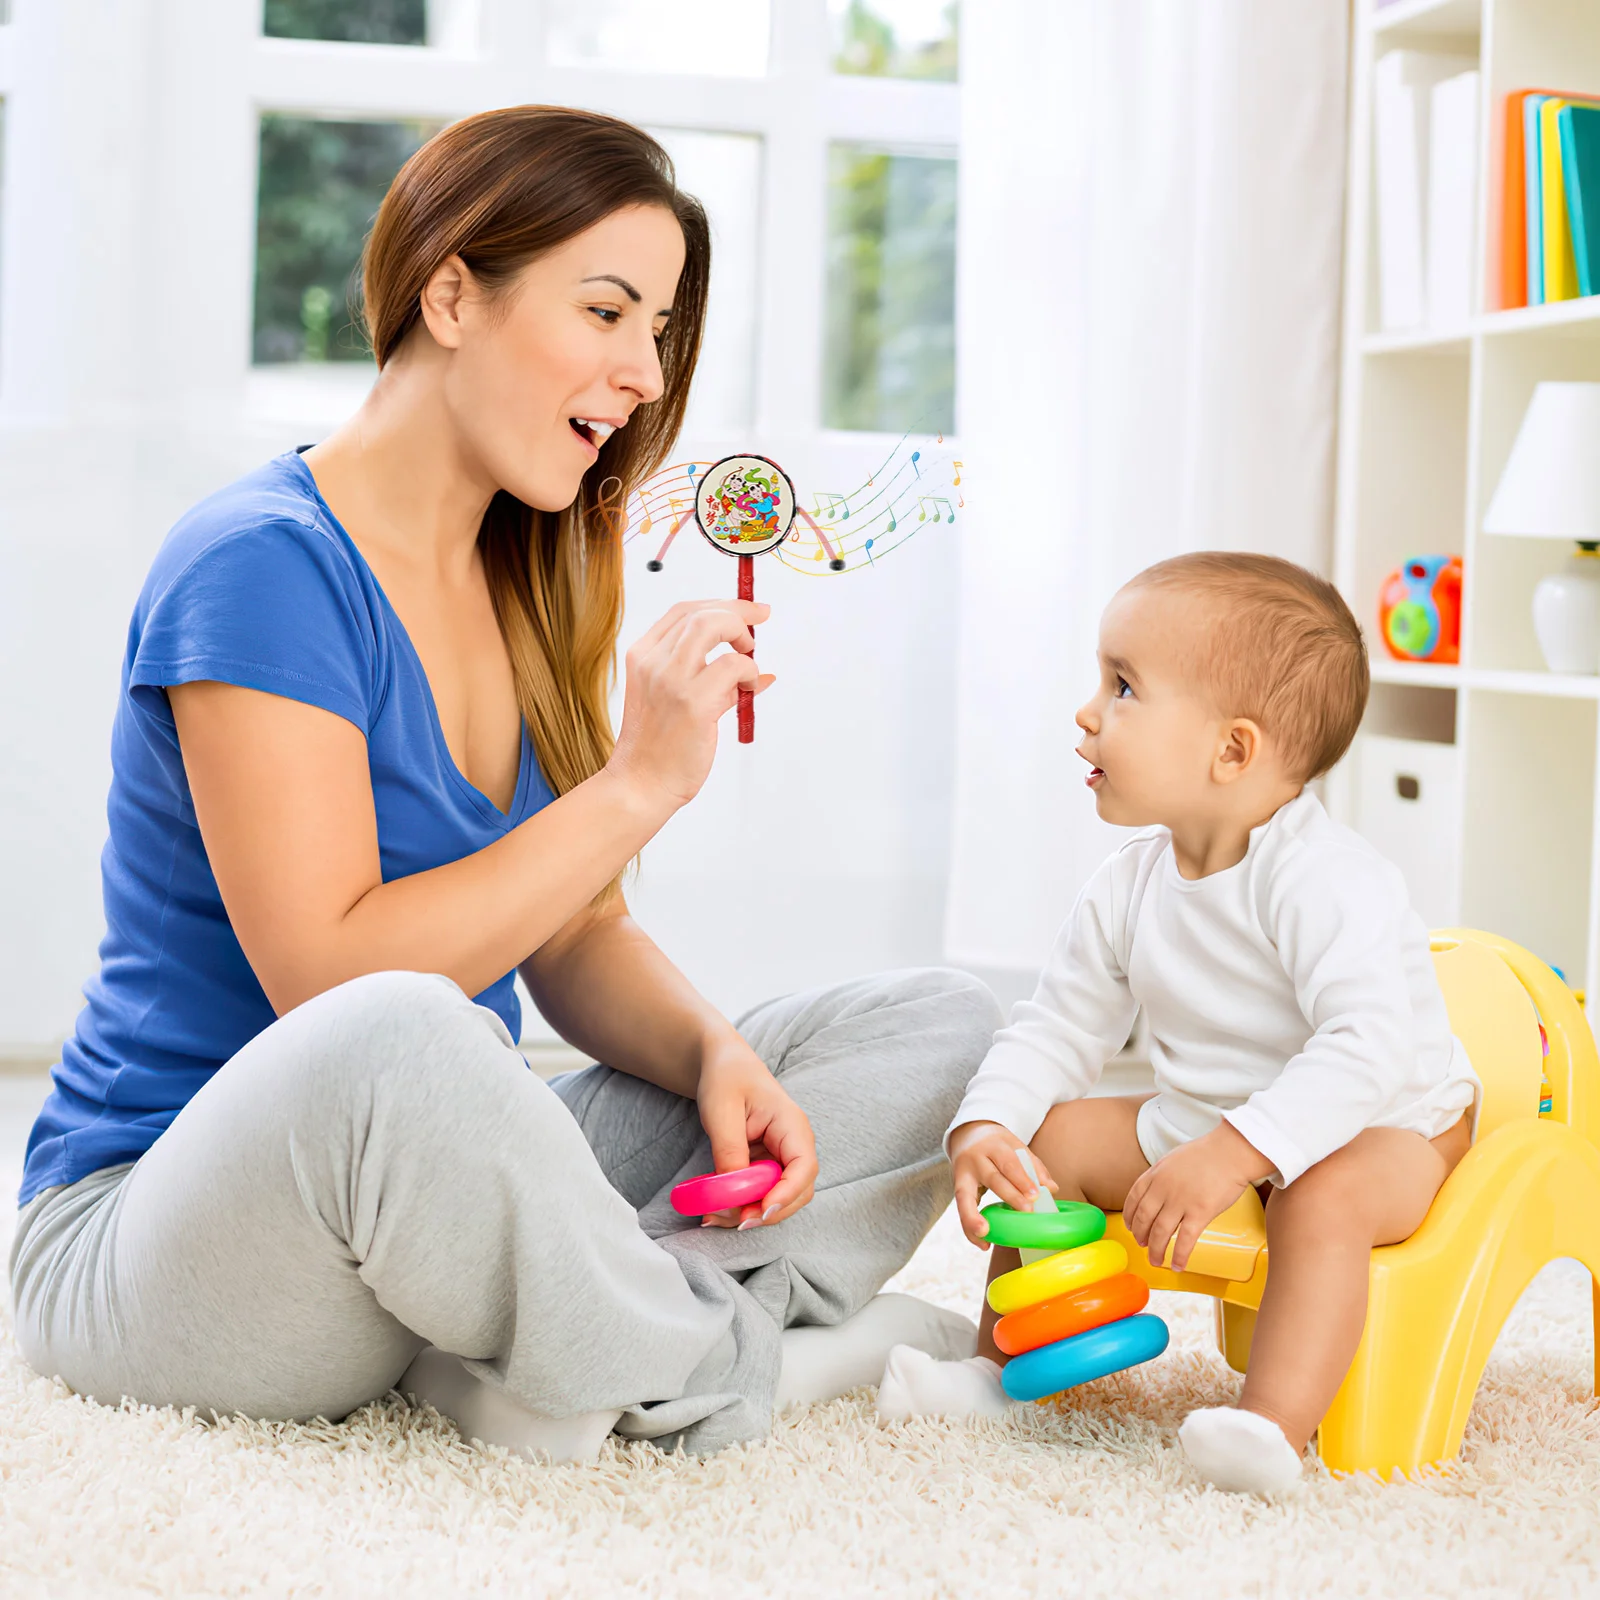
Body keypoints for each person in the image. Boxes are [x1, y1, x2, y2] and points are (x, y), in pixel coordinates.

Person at [9, 107, 997, 1463]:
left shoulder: (526, 574)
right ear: (453, 291)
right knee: (412, 1038)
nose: (644, 374)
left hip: (423, 1185)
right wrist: (639, 783)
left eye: (657, 330)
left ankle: (559, 1352)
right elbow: (333, 988)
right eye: (607, 311)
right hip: (166, 1237)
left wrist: (717, 1054)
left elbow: (574, 929)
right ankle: (727, 1363)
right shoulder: (260, 564)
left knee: (939, 1023)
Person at [876, 552, 1479, 1494]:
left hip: (1388, 1121)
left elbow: (1370, 1048)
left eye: (1123, 687)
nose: (1087, 712)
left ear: (1232, 751)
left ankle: (1269, 1426)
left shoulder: (1326, 880)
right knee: (1059, 1138)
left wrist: (1238, 1152)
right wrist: (991, 1122)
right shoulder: (1129, 886)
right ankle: (999, 1367)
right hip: (1215, 1113)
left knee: (1319, 1198)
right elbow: (1059, 1025)